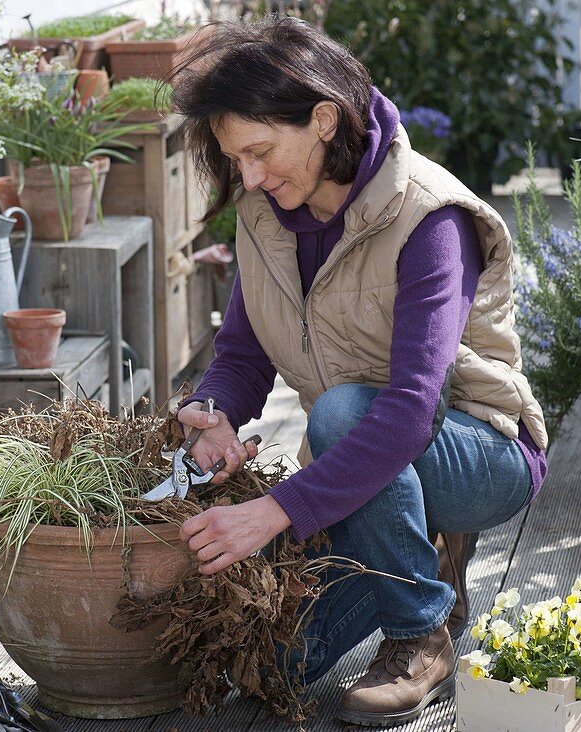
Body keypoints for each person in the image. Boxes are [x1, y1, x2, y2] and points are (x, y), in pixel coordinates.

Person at [168, 16, 549, 727]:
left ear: (322, 119)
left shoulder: (429, 219)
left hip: (481, 451)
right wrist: (214, 409)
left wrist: (275, 511)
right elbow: (244, 355)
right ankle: (414, 539)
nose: (248, 176)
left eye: (259, 151)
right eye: (234, 158)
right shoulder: (263, 213)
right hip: (366, 459)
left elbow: (406, 411)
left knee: (343, 412)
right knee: (274, 664)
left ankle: (421, 635)